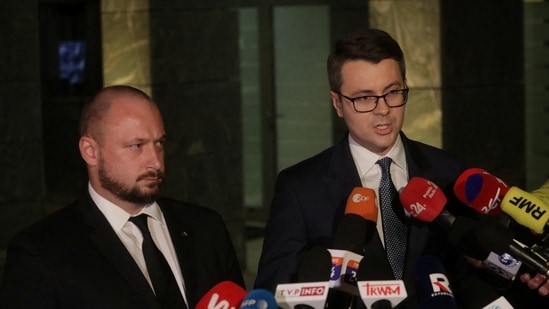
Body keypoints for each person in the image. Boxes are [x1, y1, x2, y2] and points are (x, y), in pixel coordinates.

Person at [254, 28, 472, 308]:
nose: (382, 109)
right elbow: (274, 292)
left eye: (392, 92)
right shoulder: (300, 188)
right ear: (338, 103)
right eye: (364, 98)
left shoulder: (448, 171)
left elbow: (470, 273)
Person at [0, 85, 245, 308]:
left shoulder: (206, 228)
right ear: (90, 151)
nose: (155, 161)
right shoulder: (41, 253)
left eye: (159, 143)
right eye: (136, 146)